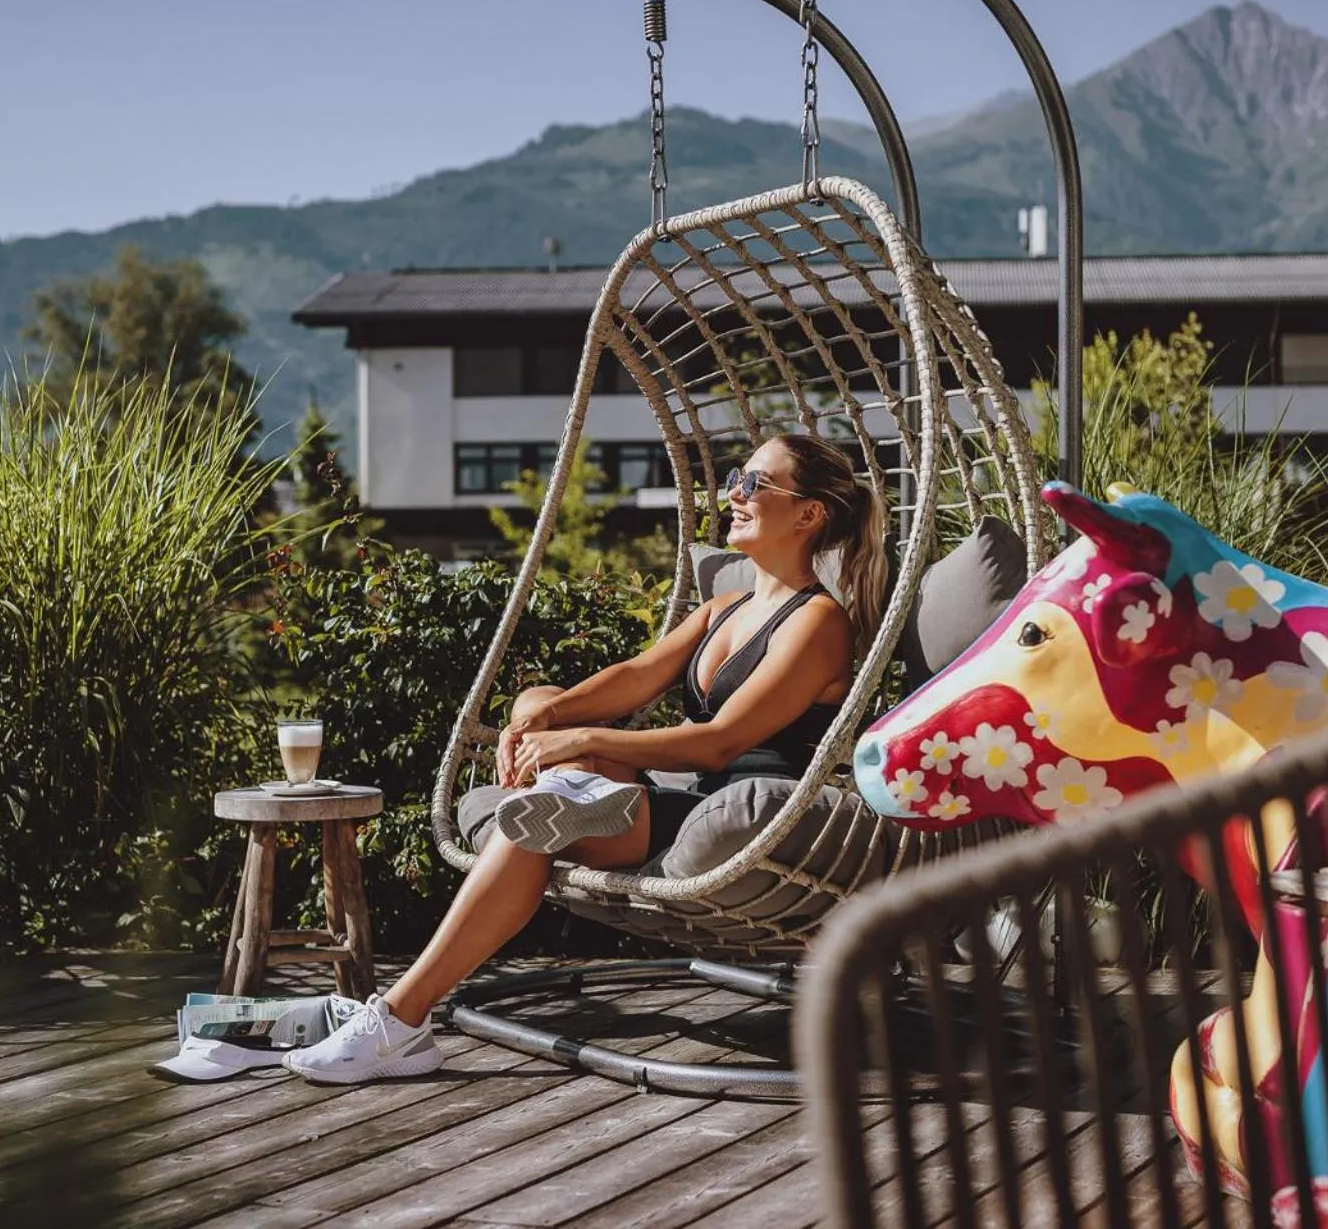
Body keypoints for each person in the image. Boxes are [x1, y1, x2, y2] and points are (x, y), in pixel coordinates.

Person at [285, 433, 888, 1084]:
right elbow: (634, 675)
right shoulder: (726, 607)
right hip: (682, 799)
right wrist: (539, 715)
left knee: (540, 813)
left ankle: (400, 1018)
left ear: (808, 514)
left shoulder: (820, 623)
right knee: (544, 704)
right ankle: (567, 792)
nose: (734, 496)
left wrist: (585, 741)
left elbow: (721, 742)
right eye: (736, 480)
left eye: (754, 484)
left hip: (744, 816)